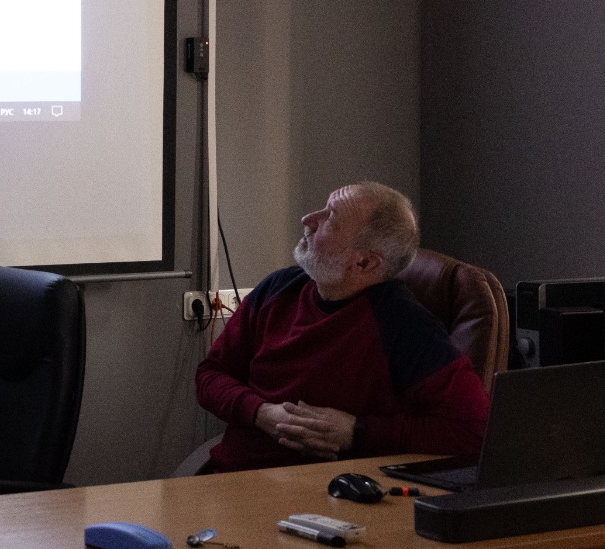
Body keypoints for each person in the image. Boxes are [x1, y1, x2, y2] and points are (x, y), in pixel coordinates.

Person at [195, 181, 490, 472]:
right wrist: (260, 413)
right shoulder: (277, 289)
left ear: (364, 263)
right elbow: (210, 375)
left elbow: (476, 429)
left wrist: (358, 432)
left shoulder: (404, 325)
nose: (308, 219)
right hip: (232, 477)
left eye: (330, 220)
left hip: (328, 489)